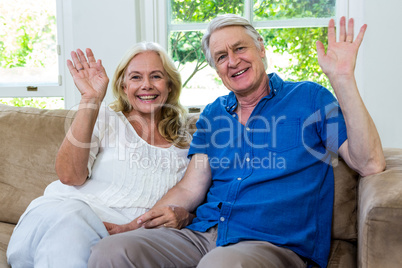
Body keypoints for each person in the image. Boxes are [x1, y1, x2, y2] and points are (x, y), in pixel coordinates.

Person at [88, 14, 386, 268]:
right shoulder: (214, 114)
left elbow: (369, 162)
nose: (232, 61)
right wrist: (133, 227)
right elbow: (189, 187)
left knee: (219, 264)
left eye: (240, 48)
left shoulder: (309, 98)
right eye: (221, 57)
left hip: (270, 242)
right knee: (111, 252)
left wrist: (343, 78)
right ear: (217, 69)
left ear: (261, 49)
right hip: (203, 234)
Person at [6, 42, 194, 268]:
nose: (146, 85)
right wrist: (90, 100)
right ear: (123, 86)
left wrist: (186, 216)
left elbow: (199, 202)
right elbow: (69, 176)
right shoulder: (104, 118)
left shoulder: (187, 145)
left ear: (170, 86)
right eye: (135, 77)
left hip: (125, 240)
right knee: (73, 217)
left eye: (156, 76)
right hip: (60, 220)